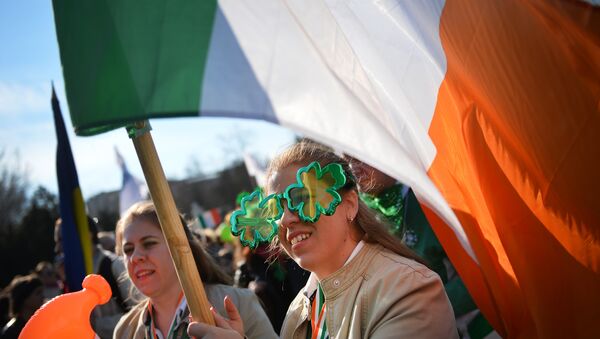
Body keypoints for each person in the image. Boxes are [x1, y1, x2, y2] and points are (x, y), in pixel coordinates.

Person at [188, 140, 457, 338]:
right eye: (275, 208)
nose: (285, 219)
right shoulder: (301, 306)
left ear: (350, 205)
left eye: (303, 198)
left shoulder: (407, 290)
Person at [346, 156, 494, 338]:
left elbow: (480, 276)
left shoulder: (430, 199)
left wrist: (416, 312)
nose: (353, 167)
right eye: (347, 158)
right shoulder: (359, 217)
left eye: (360, 157)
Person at [113, 201, 277, 339]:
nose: (135, 257)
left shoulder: (239, 303)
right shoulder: (125, 330)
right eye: (128, 249)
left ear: (179, 246)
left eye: (148, 243)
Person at [54, 217, 134, 338]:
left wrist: (94, 324)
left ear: (88, 235)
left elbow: (141, 315)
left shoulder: (113, 265)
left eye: (61, 239)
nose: (57, 248)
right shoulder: (67, 276)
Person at [0, 274, 44, 339]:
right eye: (38, 293)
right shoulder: (11, 332)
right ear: (24, 298)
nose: (43, 296)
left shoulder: (42, 323)